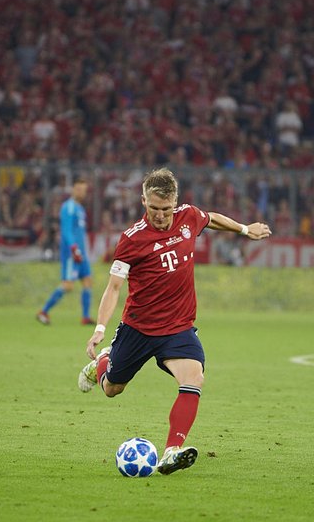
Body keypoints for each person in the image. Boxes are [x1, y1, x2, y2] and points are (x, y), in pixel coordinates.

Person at [78, 168, 271, 474]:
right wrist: (100, 329)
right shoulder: (131, 239)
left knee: (194, 378)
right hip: (139, 328)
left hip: (178, 328)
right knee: (113, 389)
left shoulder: (188, 217)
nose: (160, 215)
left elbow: (212, 218)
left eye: (166, 209)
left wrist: (245, 230)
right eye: (154, 208)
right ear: (144, 201)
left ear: (175, 203)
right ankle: (102, 362)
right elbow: (114, 287)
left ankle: (171, 450)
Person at [37, 177, 94, 325]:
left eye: (84, 190)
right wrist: (74, 248)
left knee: (87, 281)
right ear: (73, 189)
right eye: (79, 189)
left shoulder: (80, 209)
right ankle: (43, 311)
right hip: (71, 253)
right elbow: (66, 231)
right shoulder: (68, 207)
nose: (82, 192)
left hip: (82, 253)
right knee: (68, 285)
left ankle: (85, 317)